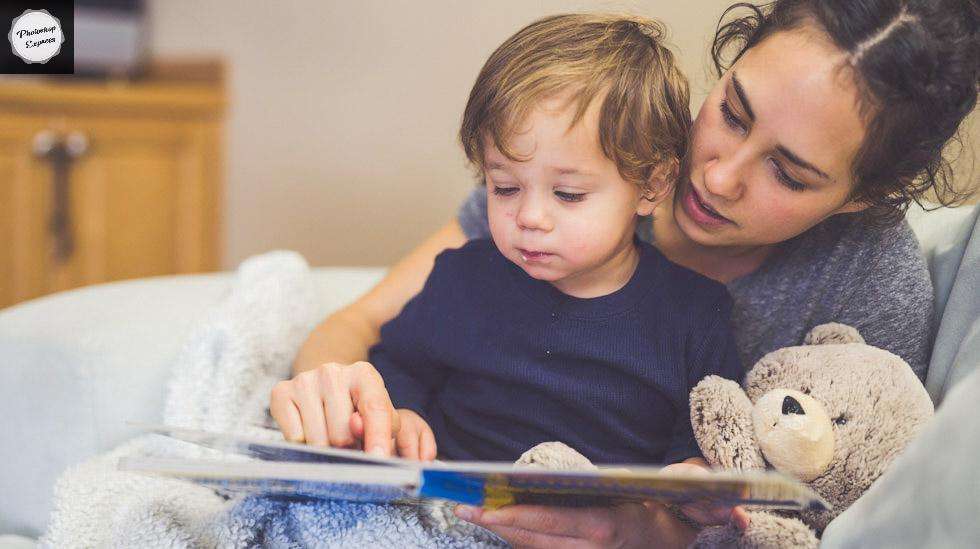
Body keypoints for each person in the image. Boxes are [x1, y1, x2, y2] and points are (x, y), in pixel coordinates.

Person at [275, 0, 979, 546]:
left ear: (862, 196)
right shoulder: (587, 153)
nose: (718, 175)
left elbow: (848, 502)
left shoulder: (863, 284)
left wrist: (661, 526)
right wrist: (344, 397)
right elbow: (362, 327)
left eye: (788, 173)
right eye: (732, 113)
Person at [358, 14, 743, 466]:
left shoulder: (694, 315)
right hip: (455, 506)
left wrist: (687, 485)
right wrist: (404, 414)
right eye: (504, 187)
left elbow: (706, 442)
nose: (530, 217)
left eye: (568, 194)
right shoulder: (462, 278)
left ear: (652, 186)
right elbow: (395, 364)